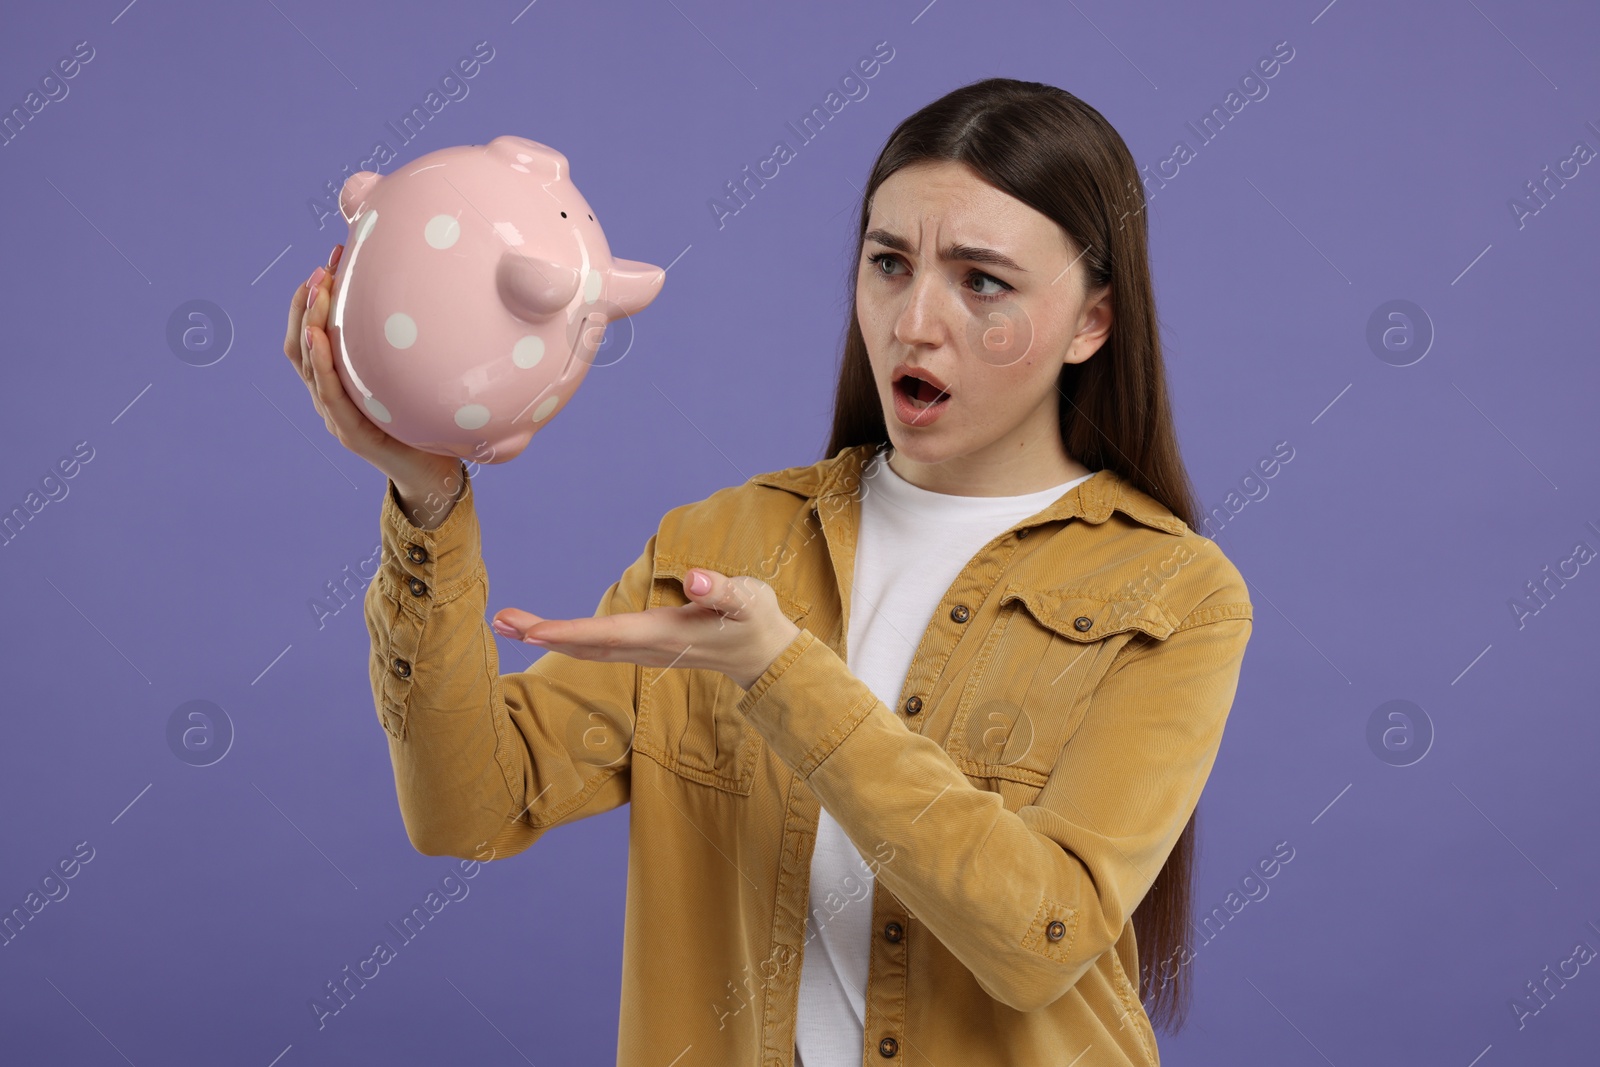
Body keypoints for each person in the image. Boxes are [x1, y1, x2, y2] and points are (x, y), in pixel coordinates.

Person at [284, 77, 1252, 1067]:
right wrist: (427, 496)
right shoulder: (724, 544)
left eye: (982, 280)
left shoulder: (1174, 596)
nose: (914, 320)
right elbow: (468, 806)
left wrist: (778, 672)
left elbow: (1037, 939)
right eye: (888, 263)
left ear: (1091, 322)